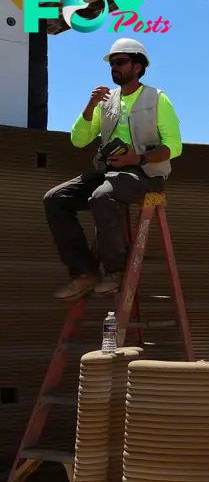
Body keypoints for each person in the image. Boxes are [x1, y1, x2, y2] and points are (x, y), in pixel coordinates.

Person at [43, 38, 183, 301]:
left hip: (145, 174)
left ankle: (116, 271)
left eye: (120, 62)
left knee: (102, 196)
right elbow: (79, 140)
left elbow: (174, 146)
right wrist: (90, 106)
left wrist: (138, 157)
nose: (114, 68)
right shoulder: (106, 101)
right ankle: (84, 273)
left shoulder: (157, 98)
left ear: (139, 67)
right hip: (110, 172)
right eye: (112, 63)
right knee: (55, 199)